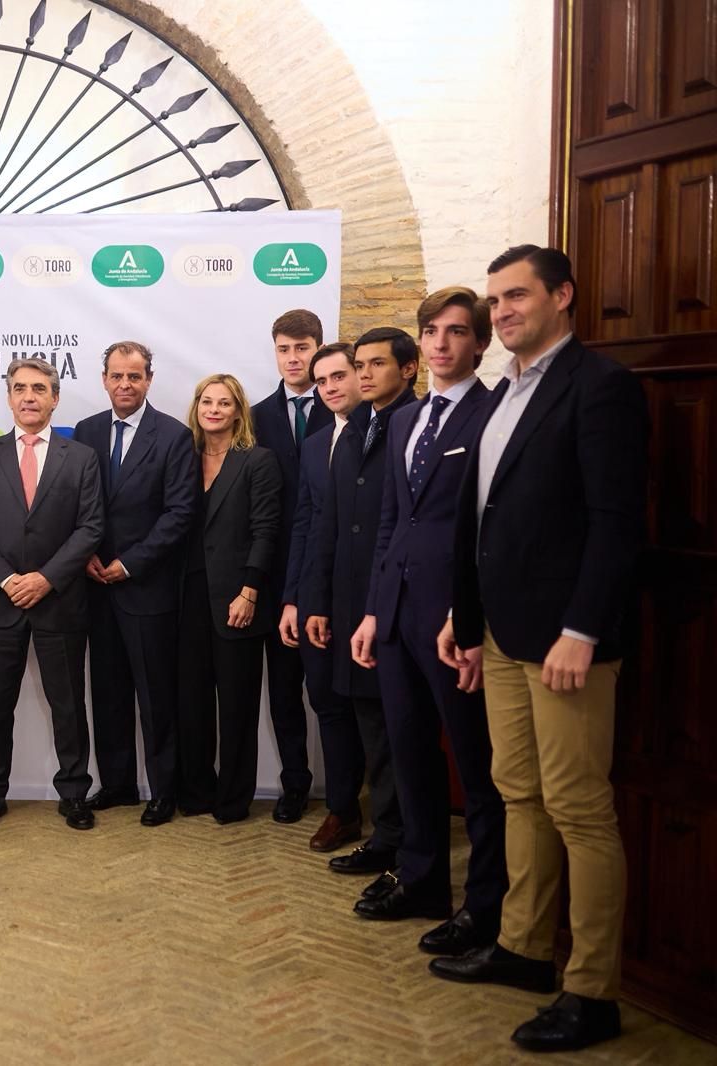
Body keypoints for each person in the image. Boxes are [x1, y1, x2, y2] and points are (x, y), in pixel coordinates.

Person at [431, 246, 646, 1054]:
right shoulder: (502, 397)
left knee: (581, 811)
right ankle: (524, 949)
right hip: (502, 636)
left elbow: (616, 522)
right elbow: (481, 519)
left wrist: (583, 629)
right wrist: (465, 614)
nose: (504, 310)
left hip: (566, 645)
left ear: (563, 295)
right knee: (517, 791)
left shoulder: (600, 388)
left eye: (517, 294)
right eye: (496, 299)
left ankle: (592, 991)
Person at [349, 290, 506, 947]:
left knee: (475, 766)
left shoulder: (493, 415)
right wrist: (372, 610)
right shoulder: (406, 420)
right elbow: (391, 520)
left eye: (456, 332)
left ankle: (487, 904)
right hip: (397, 616)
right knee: (410, 751)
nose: (440, 343)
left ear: (479, 343)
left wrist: (470, 619)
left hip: (454, 621)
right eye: (431, 331)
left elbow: (489, 527)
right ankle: (420, 879)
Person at [0, 358, 103, 831]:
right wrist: (5, 578)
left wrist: (45, 578)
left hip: (58, 600)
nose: (28, 396)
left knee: (68, 705)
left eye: (39, 388)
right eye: (19, 388)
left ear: (55, 398)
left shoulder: (79, 457)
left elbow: (90, 527)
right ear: (8, 397)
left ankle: (75, 793)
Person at [303, 327, 417, 892]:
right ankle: (387, 838)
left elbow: (399, 532)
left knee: (399, 733)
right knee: (372, 726)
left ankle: (405, 848)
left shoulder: (415, 424)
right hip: (347, 606)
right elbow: (328, 528)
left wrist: (374, 606)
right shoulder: (348, 436)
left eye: (372, 365)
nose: (364, 375)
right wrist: (317, 601)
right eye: (360, 365)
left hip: (394, 604)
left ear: (409, 368)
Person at [74, 341, 197, 825]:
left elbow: (180, 513)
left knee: (155, 696)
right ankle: (119, 784)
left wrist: (128, 564)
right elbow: (74, 502)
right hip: (93, 587)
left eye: (135, 377)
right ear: (104, 379)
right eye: (117, 376)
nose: (125, 385)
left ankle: (164, 790)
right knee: (106, 693)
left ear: (149, 380)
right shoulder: (85, 431)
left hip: (146, 587)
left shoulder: (172, 435)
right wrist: (84, 557)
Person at [176, 374, 281, 824]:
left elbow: (266, 529)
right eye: (207, 401)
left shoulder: (258, 460)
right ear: (197, 407)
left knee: (237, 703)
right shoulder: (184, 457)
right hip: (187, 596)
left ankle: (234, 798)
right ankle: (197, 790)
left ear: (238, 411)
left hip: (237, 597)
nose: (214, 409)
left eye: (224, 402)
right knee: (192, 701)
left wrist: (250, 591)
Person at [279, 343, 369, 853]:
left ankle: (391, 817)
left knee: (371, 712)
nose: (331, 387)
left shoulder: (381, 432)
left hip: (364, 601)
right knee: (328, 706)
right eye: (323, 381)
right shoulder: (315, 444)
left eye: (340, 376)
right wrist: (294, 599)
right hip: (316, 599)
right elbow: (305, 524)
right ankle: (342, 810)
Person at [250, 310, 332, 822]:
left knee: (330, 696)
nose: (293, 358)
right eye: (284, 348)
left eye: (302, 347)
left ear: (319, 348)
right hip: (275, 578)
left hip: (326, 579)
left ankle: (344, 796)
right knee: (283, 696)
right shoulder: (257, 416)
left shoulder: (345, 408)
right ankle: (295, 785)